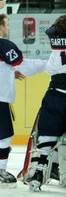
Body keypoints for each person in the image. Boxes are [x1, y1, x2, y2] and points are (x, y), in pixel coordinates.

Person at [27, 15, 66, 191]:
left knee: (46, 138)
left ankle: (37, 174)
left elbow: (54, 28)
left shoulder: (54, 44)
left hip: (55, 96)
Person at [0, 12, 47, 187]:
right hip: (0, 99)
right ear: (1, 26)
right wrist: (47, 64)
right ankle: (1, 170)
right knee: (5, 137)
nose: (8, 28)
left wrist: (10, 72)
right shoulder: (3, 44)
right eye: (7, 24)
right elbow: (23, 64)